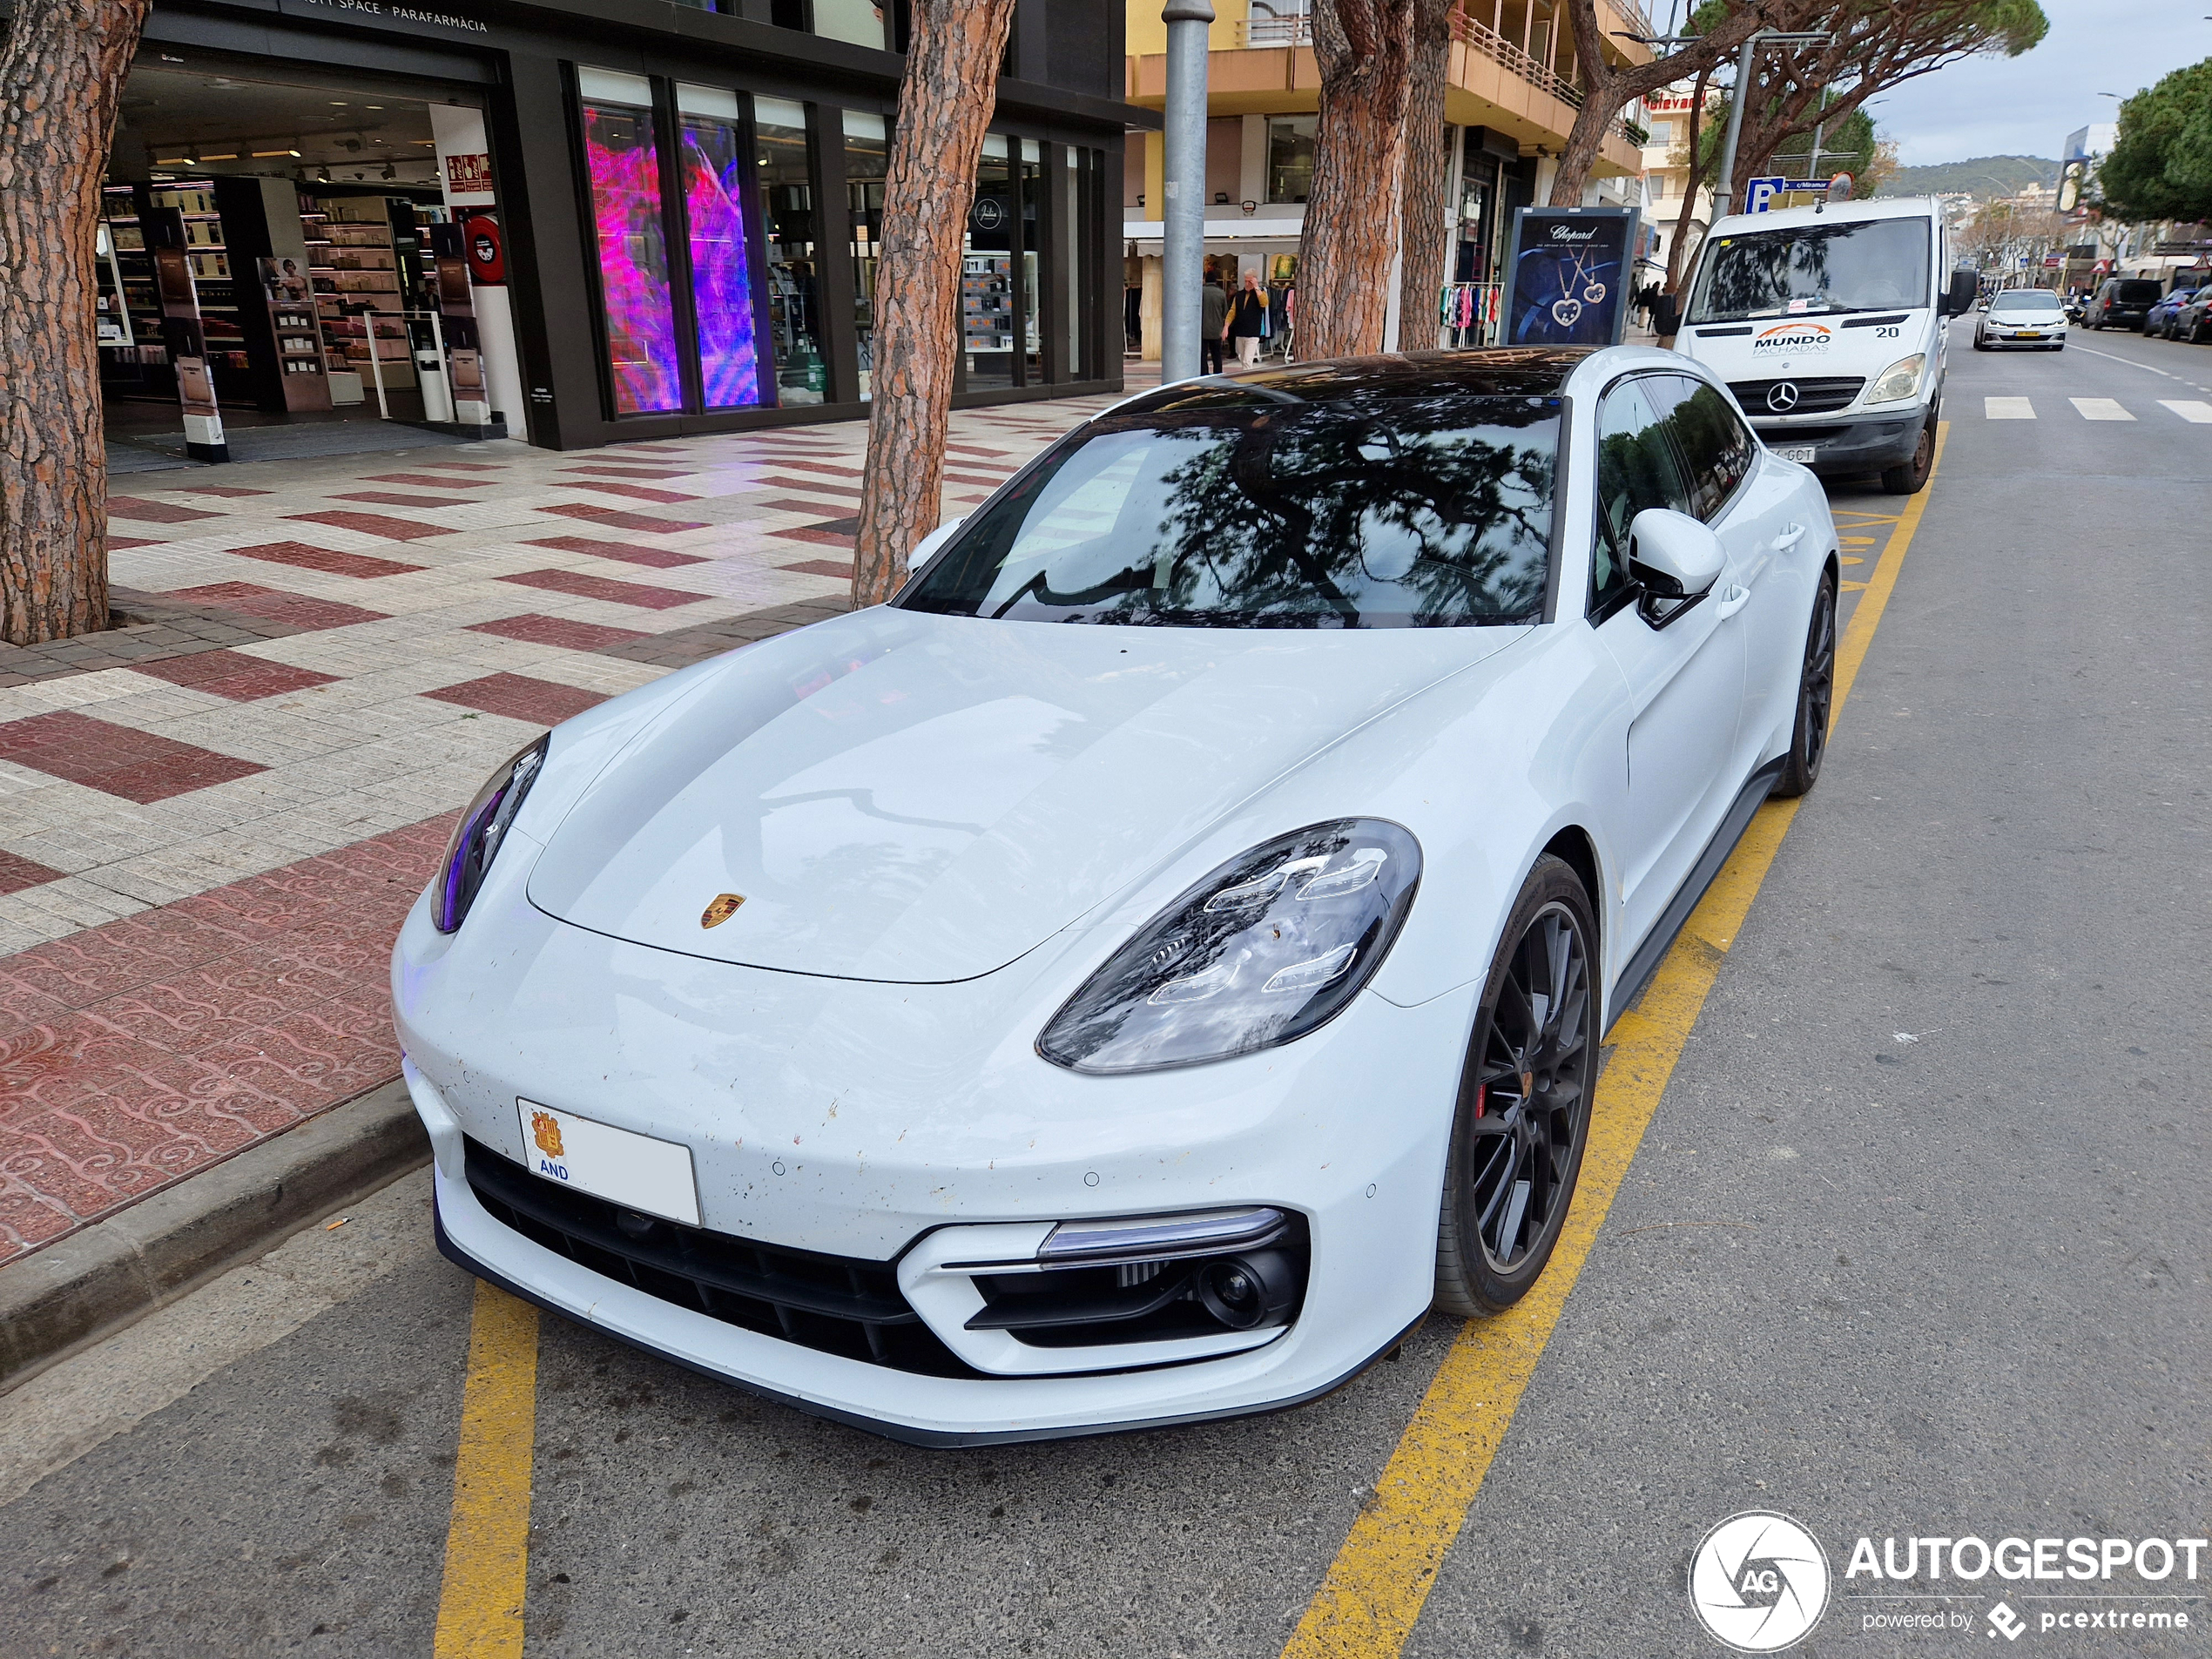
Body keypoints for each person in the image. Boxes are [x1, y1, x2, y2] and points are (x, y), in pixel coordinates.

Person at [1225, 269, 1268, 368]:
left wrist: (1256, 287)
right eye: (1246, 281)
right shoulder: (1239, 295)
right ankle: (1245, 378)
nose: (1247, 284)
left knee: (1247, 360)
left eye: (1250, 281)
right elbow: (1233, 311)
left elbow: (1264, 303)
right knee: (1242, 358)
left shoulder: (1260, 294)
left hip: (1252, 333)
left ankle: (1247, 381)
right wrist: (1226, 325)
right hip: (1240, 332)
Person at [1201, 274, 1227, 374]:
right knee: (1217, 355)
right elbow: (1225, 312)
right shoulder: (1221, 293)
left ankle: (1204, 374)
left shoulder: (1201, 292)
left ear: (1205, 280)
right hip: (1216, 330)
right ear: (1216, 281)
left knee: (1203, 355)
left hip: (1203, 330)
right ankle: (1218, 374)